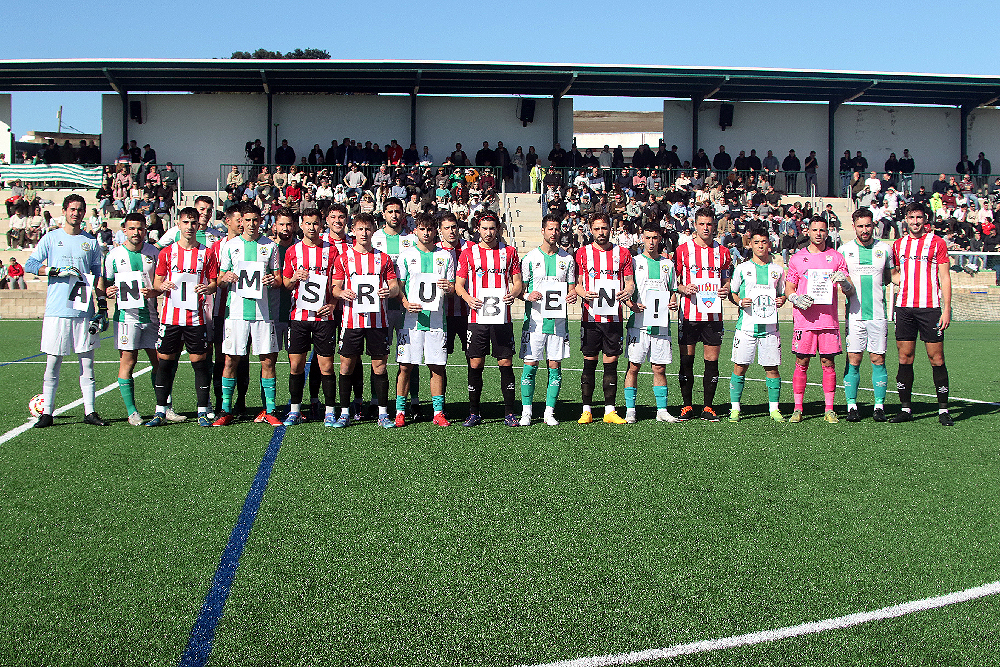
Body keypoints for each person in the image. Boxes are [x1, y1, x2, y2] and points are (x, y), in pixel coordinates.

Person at [24, 194, 110, 428]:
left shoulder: (90, 242)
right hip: (57, 310)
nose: (76, 213)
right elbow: (30, 265)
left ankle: (90, 411)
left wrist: (102, 307)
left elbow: (98, 277)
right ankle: (47, 413)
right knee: (53, 362)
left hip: (83, 312)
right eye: (72, 209)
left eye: (80, 210)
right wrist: (54, 270)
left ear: (84, 213)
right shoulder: (51, 238)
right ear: (64, 211)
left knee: (88, 364)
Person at [144, 207, 218, 427]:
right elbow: (157, 283)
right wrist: (162, 285)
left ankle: (203, 411)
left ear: (198, 225)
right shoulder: (167, 252)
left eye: (193, 223)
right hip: (170, 318)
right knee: (165, 363)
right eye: (186, 222)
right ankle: (160, 411)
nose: (189, 227)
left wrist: (207, 288)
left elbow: (214, 283)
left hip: (195, 318)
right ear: (178, 224)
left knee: (200, 363)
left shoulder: (207, 252)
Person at [211, 203, 283, 426]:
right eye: (247, 220)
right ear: (240, 221)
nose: (252, 224)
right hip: (237, 313)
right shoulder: (229, 246)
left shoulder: (270, 246)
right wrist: (227, 278)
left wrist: (273, 280)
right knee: (230, 361)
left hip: (263, 314)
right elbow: (220, 280)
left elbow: (279, 279)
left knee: (268, 361)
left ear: (261, 221)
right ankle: (225, 410)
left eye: (256, 220)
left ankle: (269, 410)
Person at [330, 213, 401, 428]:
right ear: (353, 230)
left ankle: (382, 413)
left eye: (368, 229)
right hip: (351, 321)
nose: (364, 233)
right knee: (346, 366)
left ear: (373, 231)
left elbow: (396, 287)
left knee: (379, 366)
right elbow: (334, 288)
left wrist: (387, 291)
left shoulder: (384, 258)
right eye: (360, 229)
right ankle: (344, 412)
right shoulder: (343, 257)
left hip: (378, 322)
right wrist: (341, 294)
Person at [455, 212, 523, 426]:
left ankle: (509, 412)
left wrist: (513, 293)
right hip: (477, 317)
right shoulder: (468, 252)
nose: (488, 232)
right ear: (478, 229)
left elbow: (518, 282)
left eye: (492, 228)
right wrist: (467, 298)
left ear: (498, 229)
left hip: (502, 317)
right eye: (484, 228)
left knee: (505, 361)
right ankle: (474, 412)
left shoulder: (509, 252)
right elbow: (459, 284)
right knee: (475, 362)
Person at [784, 216, 853, 423]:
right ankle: (797, 409)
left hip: (828, 320)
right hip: (804, 320)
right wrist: (794, 298)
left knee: (828, 362)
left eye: (822, 230)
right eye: (815, 230)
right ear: (808, 231)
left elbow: (848, 288)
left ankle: (829, 409)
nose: (818, 234)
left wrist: (845, 283)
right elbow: (789, 287)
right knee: (801, 362)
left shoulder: (837, 257)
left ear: (827, 232)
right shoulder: (797, 258)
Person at [889, 203, 953, 425]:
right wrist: (906, 283)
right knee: (904, 357)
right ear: (905, 219)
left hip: (930, 308)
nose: (915, 221)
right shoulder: (898, 245)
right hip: (905, 307)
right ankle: (906, 409)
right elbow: (894, 273)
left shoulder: (937, 243)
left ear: (925, 219)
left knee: (937, 358)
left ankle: (943, 410)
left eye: (919, 217)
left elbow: (945, 277)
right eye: (911, 217)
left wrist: (946, 309)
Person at [101, 213, 164, 425]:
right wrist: (108, 292)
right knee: (129, 361)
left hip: (152, 317)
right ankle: (132, 411)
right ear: (124, 230)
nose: (136, 233)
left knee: (160, 362)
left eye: (140, 228)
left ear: (145, 230)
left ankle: (164, 408)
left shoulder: (154, 253)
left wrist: (153, 292)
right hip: (126, 318)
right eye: (132, 229)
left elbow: (160, 285)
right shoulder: (113, 255)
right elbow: (105, 286)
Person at [393, 213, 456, 427]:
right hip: (410, 322)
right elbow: (398, 288)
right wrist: (404, 302)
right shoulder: (406, 256)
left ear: (435, 231)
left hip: (437, 321)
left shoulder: (445, 256)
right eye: (422, 229)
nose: (426, 233)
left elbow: (452, 287)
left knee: (437, 367)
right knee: (405, 367)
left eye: (430, 229)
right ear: (415, 231)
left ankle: (438, 412)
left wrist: (449, 288)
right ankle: (400, 411)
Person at [574, 212, 635, 425]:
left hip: (613, 318)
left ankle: (610, 410)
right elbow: (578, 283)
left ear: (610, 229)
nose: (601, 233)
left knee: (611, 364)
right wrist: (582, 293)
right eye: (597, 229)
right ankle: (587, 410)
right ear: (591, 230)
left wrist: (627, 291)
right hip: (590, 317)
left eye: (604, 228)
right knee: (589, 364)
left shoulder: (623, 253)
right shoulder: (582, 253)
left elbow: (630, 282)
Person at [518, 214, 578, 426]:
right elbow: (520, 290)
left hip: (558, 323)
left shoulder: (567, 259)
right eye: (550, 229)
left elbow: (572, 289)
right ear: (542, 231)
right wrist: (527, 296)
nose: (554, 233)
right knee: (530, 365)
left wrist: (573, 295)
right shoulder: (529, 258)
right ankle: (526, 411)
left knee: (555, 366)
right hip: (535, 322)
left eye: (557, 229)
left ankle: (549, 412)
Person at [674, 207, 733, 421]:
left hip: (713, 315)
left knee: (711, 361)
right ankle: (687, 406)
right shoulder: (682, 250)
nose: (706, 228)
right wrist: (682, 289)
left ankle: (708, 407)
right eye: (702, 224)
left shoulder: (723, 252)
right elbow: (674, 281)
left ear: (714, 226)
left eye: (709, 224)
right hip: (689, 313)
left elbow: (726, 279)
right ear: (695, 225)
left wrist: (725, 289)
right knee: (686, 360)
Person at [281, 208, 338, 426]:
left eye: (315, 224)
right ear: (301, 225)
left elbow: (337, 284)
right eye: (308, 223)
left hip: (323, 319)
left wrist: (332, 305)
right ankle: (295, 410)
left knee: (326, 366)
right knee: (296, 366)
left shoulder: (331, 251)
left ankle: (330, 410)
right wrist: (295, 277)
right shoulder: (293, 251)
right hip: (298, 317)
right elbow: (286, 284)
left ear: (320, 226)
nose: (312, 228)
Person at [840, 208, 896, 422]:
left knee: (878, 358)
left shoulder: (885, 249)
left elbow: (890, 277)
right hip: (854, 315)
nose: (865, 230)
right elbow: (843, 283)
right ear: (854, 226)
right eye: (860, 226)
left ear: (874, 225)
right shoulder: (845, 250)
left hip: (878, 315)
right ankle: (852, 405)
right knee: (854, 359)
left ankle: (879, 406)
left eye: (868, 225)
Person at [727, 225, 787, 422]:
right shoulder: (742, 268)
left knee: (772, 368)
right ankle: (735, 408)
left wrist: (782, 300)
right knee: (740, 367)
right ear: (750, 244)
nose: (761, 246)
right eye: (757, 242)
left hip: (770, 328)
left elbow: (782, 294)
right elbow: (733, 293)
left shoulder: (778, 270)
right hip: (746, 327)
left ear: (769, 244)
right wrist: (739, 301)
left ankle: (774, 409)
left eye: (764, 242)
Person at [623, 222, 680, 423]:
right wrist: (631, 304)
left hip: (661, 325)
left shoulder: (668, 264)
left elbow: (673, 291)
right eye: (648, 238)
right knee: (634, 366)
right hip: (638, 324)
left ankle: (662, 410)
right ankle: (630, 409)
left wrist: (673, 301)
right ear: (642, 239)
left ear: (660, 239)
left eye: (655, 238)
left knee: (660, 368)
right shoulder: (634, 261)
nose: (651, 242)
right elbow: (626, 290)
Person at [372, 197, 421, 418]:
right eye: (390, 211)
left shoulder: (411, 239)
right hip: (378, 308)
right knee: (378, 356)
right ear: (383, 214)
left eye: (397, 211)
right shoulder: (374, 238)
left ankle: (414, 401)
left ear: (404, 214)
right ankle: (376, 401)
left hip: (406, 308)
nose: (394, 215)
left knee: (410, 357)